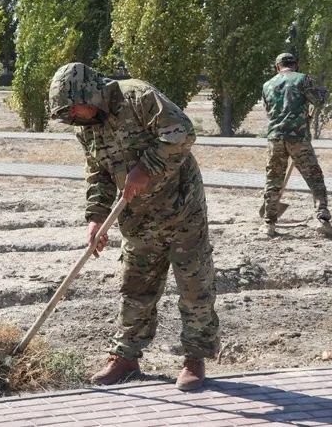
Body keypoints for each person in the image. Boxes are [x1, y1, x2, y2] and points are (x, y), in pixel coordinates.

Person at [49, 62, 219, 391]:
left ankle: (194, 359)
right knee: (135, 289)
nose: (73, 117)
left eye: (73, 109)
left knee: (194, 287)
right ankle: (126, 357)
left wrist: (144, 169)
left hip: (182, 207)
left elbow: (183, 133)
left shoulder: (138, 97)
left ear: (89, 93)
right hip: (137, 218)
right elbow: (97, 174)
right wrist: (96, 217)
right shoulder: (85, 126)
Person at [262, 53, 332, 237]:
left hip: (275, 138)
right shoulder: (303, 79)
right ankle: (322, 219)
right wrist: (322, 93)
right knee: (314, 178)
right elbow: (317, 101)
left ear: (278, 67)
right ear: (296, 65)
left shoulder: (267, 85)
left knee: (273, 181)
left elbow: (269, 110)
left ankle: (268, 224)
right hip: (298, 138)